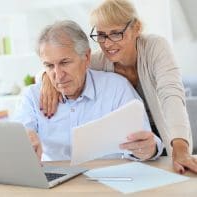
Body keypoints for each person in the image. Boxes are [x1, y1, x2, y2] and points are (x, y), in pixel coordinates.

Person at [39, 0, 197, 173]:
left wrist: (180, 148)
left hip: (167, 139)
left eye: (115, 33)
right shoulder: (99, 60)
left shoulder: (155, 47)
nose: (107, 44)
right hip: (132, 147)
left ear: (136, 28)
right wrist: (47, 78)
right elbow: (63, 66)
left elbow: (171, 96)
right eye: (101, 35)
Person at [13, 20, 163, 162]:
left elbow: (145, 140)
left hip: (107, 181)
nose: (58, 75)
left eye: (65, 62)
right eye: (49, 66)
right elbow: (19, 133)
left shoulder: (117, 88)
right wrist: (24, 139)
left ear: (86, 57)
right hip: (55, 185)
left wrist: (148, 149)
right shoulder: (32, 97)